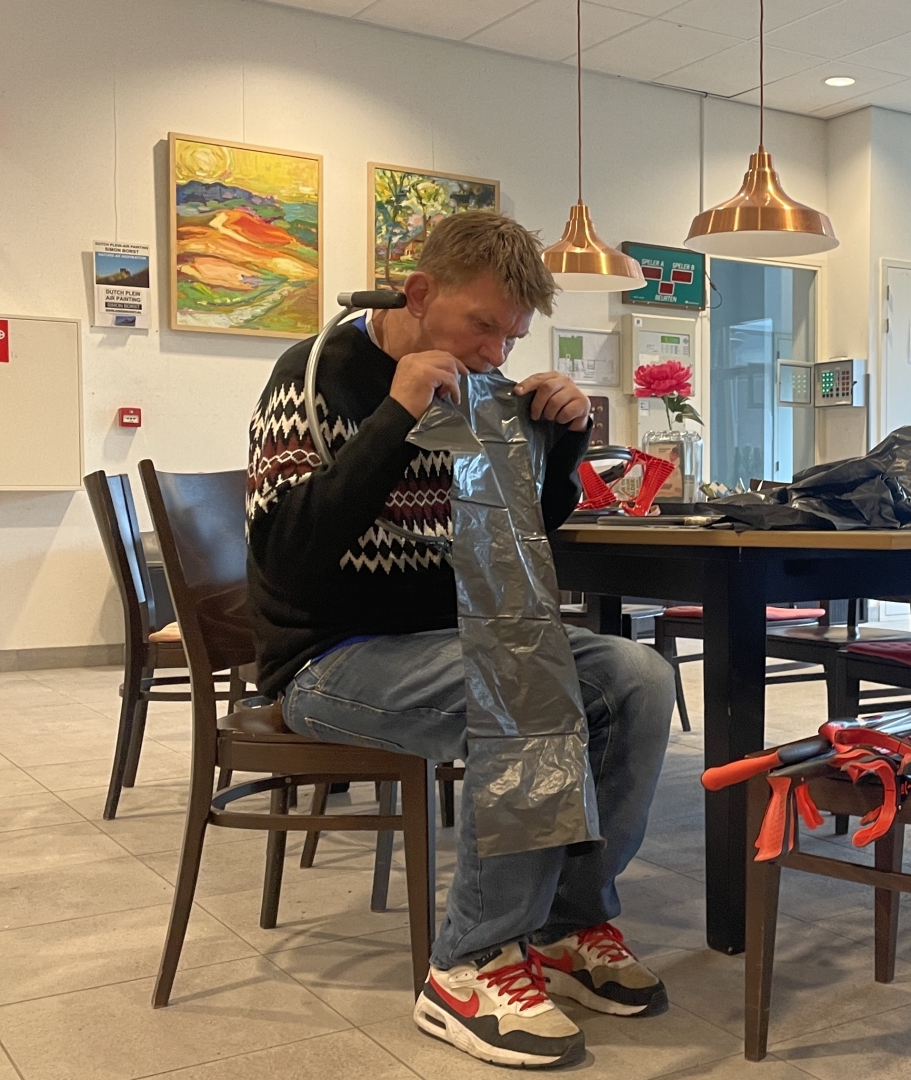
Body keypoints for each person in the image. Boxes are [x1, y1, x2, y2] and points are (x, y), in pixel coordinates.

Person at [245, 210, 674, 1069]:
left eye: (511, 337)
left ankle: (568, 924)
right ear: (420, 292)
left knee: (637, 675)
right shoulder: (315, 373)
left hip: (454, 637)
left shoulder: (480, 391)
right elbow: (287, 558)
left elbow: (516, 542)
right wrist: (393, 418)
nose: (494, 354)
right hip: (329, 660)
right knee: (523, 685)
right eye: (482, 326)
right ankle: (470, 961)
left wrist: (563, 444)